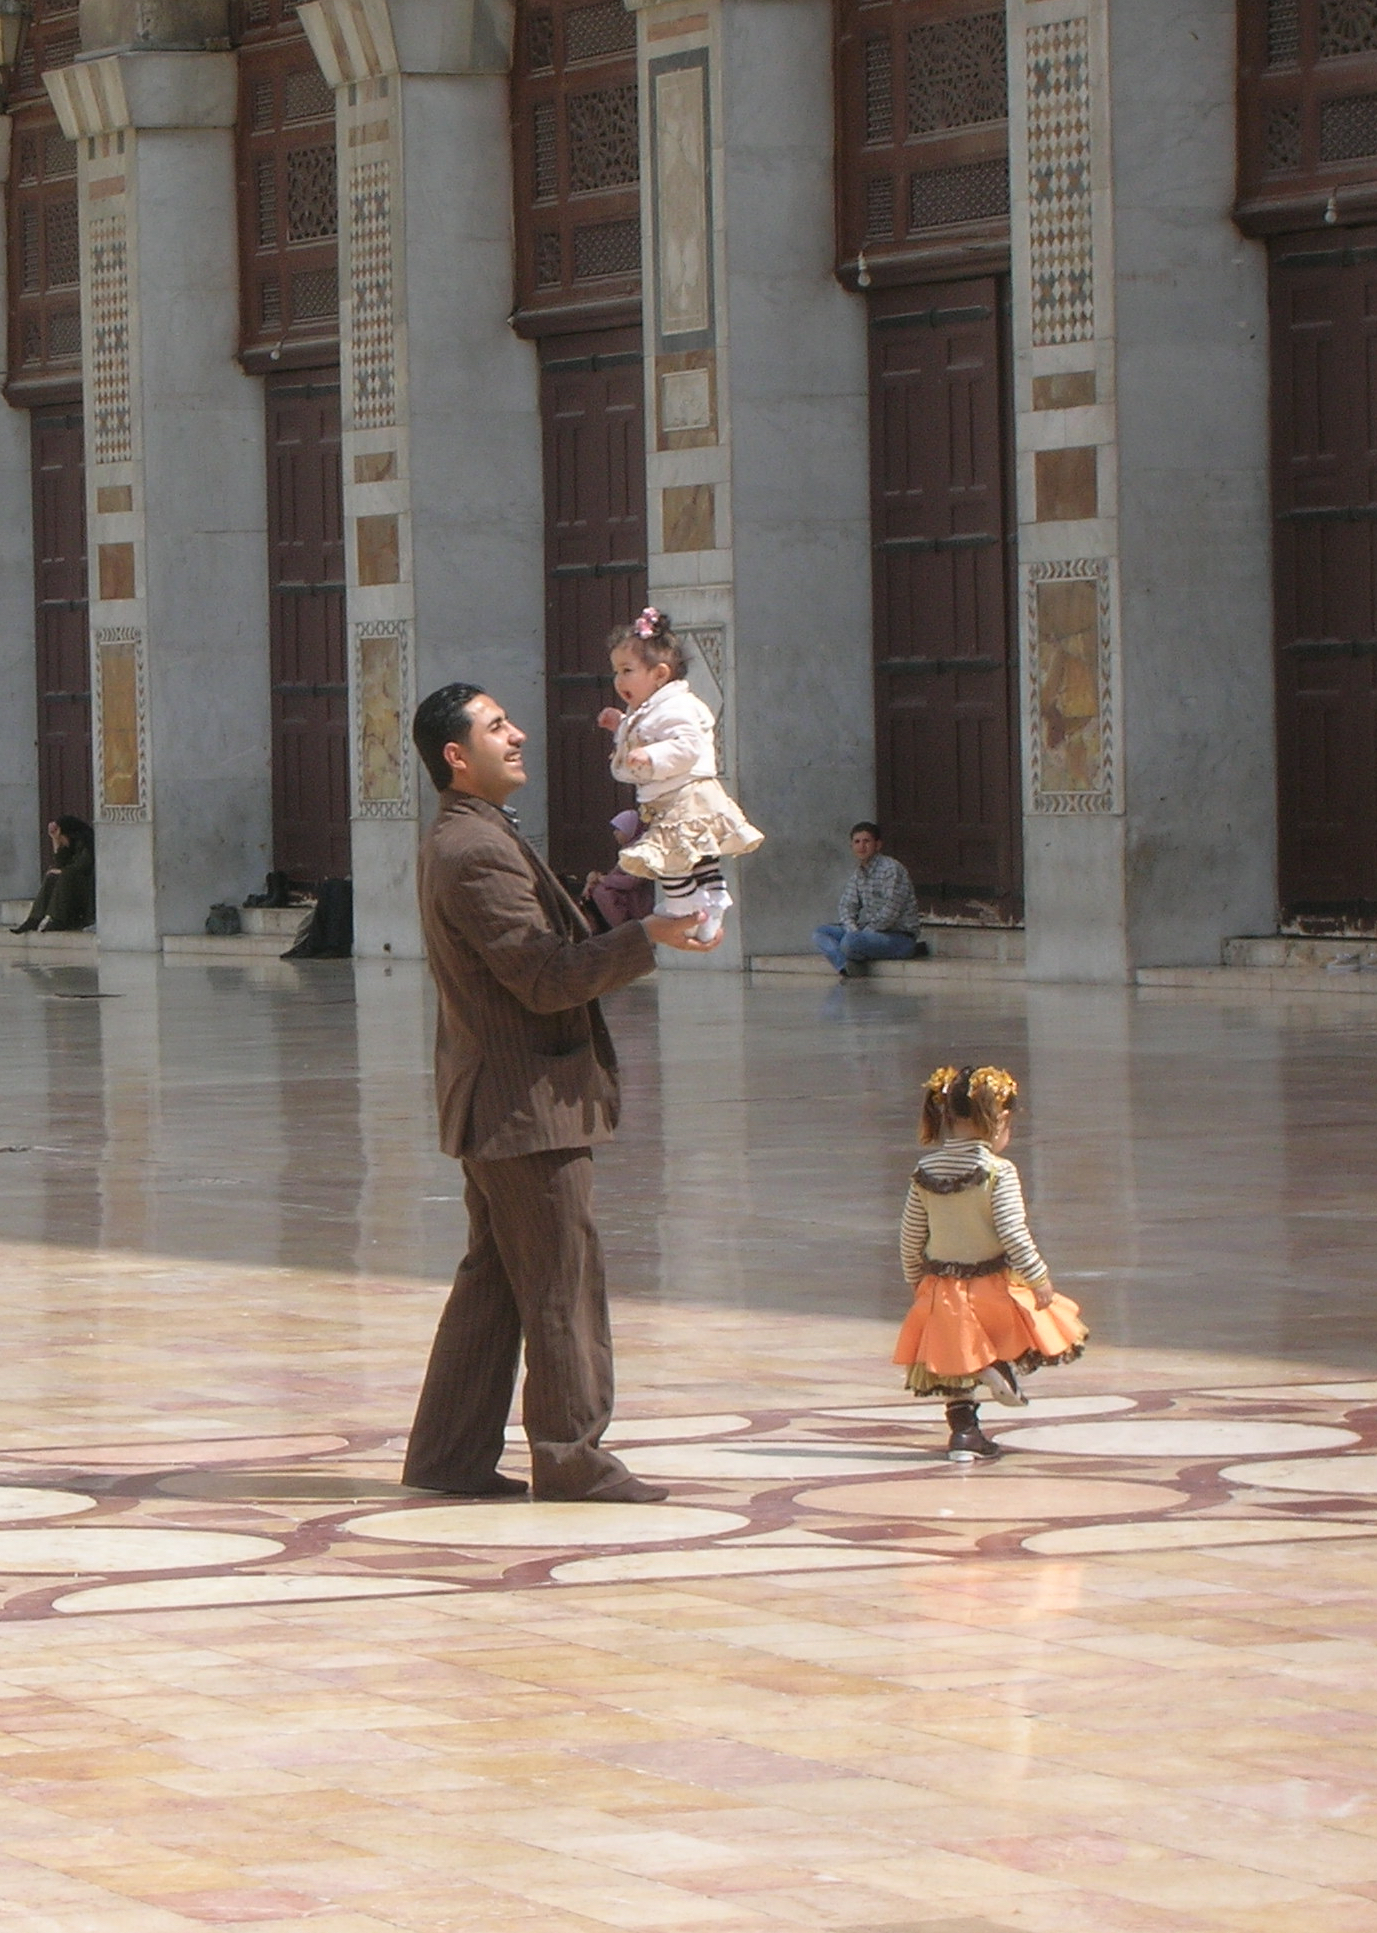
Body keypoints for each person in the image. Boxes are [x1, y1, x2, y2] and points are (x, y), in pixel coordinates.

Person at [402, 680, 720, 1505]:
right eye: (496, 726)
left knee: (497, 1281)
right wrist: (646, 937)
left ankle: (447, 1455)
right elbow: (542, 977)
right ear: (455, 755)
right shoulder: (472, 848)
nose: (517, 735)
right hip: (524, 1102)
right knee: (560, 1282)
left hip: (501, 1098)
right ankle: (572, 1456)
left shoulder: (476, 832)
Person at [893, 1064, 1087, 1462]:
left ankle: (964, 1434)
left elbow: (911, 1236)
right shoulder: (998, 1172)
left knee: (952, 1360)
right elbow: (1013, 1232)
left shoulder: (925, 1171)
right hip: (991, 1283)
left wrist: (915, 1276)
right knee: (1006, 1332)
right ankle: (994, 1366)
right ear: (998, 1120)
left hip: (942, 1282)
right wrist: (1038, 1277)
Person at [597, 607, 763, 943]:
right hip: (679, 799)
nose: (619, 680)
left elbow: (686, 745)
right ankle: (713, 902)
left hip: (684, 798)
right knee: (698, 857)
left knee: (671, 858)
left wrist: (652, 756)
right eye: (616, 672)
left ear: (660, 674)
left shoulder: (677, 707)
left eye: (627, 670)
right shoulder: (650, 709)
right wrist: (621, 726)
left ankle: (684, 907)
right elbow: (646, 735)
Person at [812, 822, 926, 978]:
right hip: (866, 934)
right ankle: (845, 966)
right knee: (821, 933)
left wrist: (860, 934)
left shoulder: (891, 869)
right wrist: (852, 929)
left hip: (899, 937)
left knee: (850, 942)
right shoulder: (858, 874)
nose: (861, 846)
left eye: (866, 841)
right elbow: (846, 906)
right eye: (857, 842)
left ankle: (854, 954)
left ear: (877, 845)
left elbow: (891, 912)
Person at [10, 817, 95, 934]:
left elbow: (83, 866)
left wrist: (63, 872)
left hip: (85, 890)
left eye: (61, 837)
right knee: (52, 877)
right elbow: (60, 863)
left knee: (65, 876)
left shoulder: (87, 844)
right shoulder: (71, 845)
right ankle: (34, 918)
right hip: (72, 885)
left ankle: (58, 919)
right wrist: (55, 840)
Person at [582, 809, 655, 932]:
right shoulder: (628, 849)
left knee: (602, 892)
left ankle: (622, 929)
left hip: (637, 902)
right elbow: (617, 873)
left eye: (619, 830)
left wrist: (604, 880)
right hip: (629, 899)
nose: (615, 833)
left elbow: (633, 880)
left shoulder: (639, 852)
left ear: (630, 830)